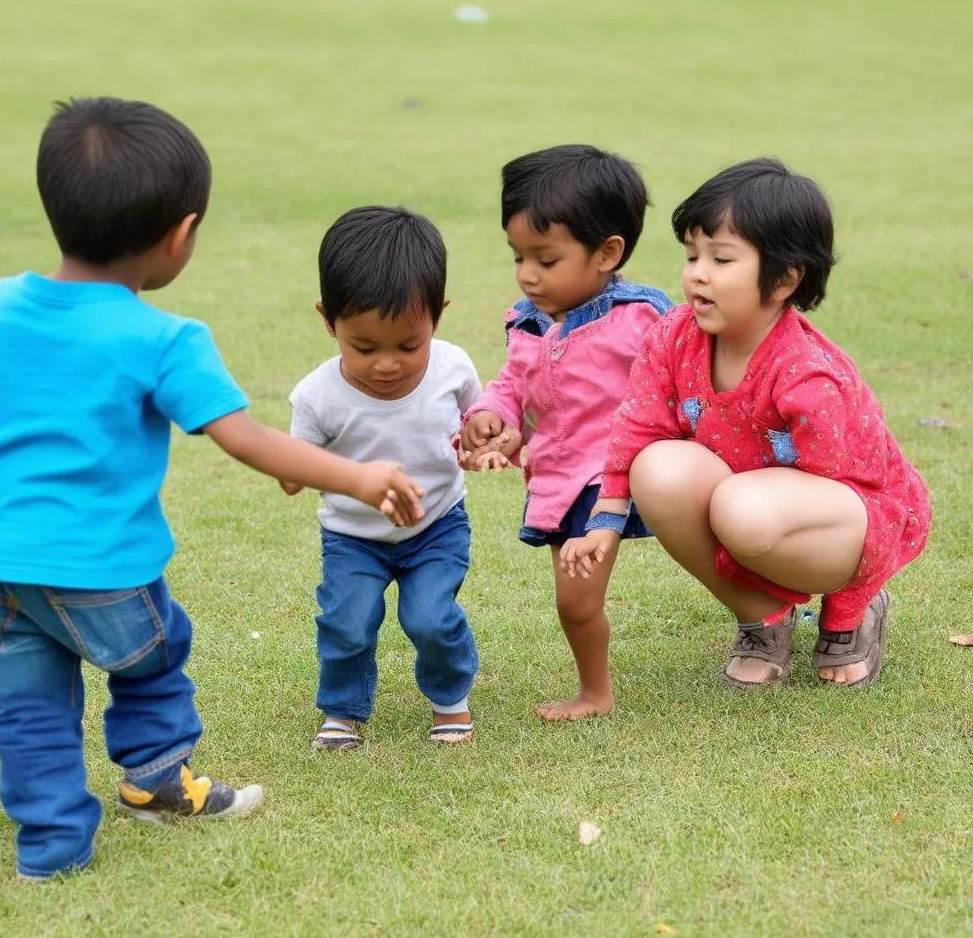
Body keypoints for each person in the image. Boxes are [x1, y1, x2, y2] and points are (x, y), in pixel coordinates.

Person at [0, 97, 425, 882]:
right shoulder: (163, 339)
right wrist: (359, 476)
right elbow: (247, 440)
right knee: (157, 649)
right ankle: (157, 776)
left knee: (30, 701)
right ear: (180, 235)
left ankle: (51, 844)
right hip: (100, 567)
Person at [561, 157, 931, 689]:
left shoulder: (808, 376)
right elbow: (638, 424)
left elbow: (861, 491)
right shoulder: (674, 336)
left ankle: (858, 612)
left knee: (743, 509)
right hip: (751, 504)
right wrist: (606, 517)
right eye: (692, 254)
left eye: (721, 259)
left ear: (784, 279)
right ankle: (764, 619)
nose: (698, 273)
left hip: (854, 518)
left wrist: (847, 607)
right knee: (658, 468)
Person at [456, 145, 672, 721]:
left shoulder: (641, 317)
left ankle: (774, 611)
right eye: (518, 256)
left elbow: (684, 379)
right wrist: (491, 416)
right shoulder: (527, 321)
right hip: (563, 480)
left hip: (622, 473)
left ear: (607, 253)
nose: (528, 274)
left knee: (716, 550)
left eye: (546, 259)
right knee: (575, 604)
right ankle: (595, 691)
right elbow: (516, 387)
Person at [287, 206, 481, 751]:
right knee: (346, 621)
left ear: (438, 317)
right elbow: (294, 467)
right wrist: (294, 473)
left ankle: (450, 700)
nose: (388, 364)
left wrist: (484, 441)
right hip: (353, 536)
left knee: (430, 618)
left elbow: (480, 420)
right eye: (365, 347)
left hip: (436, 525)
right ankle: (342, 710)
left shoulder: (453, 368)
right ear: (328, 321)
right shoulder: (317, 397)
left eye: (409, 345)